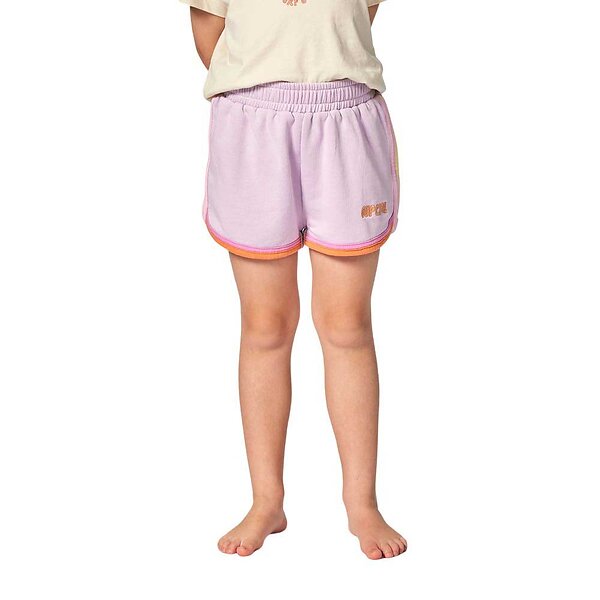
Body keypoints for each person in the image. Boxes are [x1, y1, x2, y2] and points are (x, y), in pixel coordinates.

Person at [181, 0, 407, 560]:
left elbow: (359, 15)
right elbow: (209, 32)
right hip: (252, 121)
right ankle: (266, 500)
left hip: (345, 116)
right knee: (265, 326)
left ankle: (361, 502)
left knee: (347, 325)